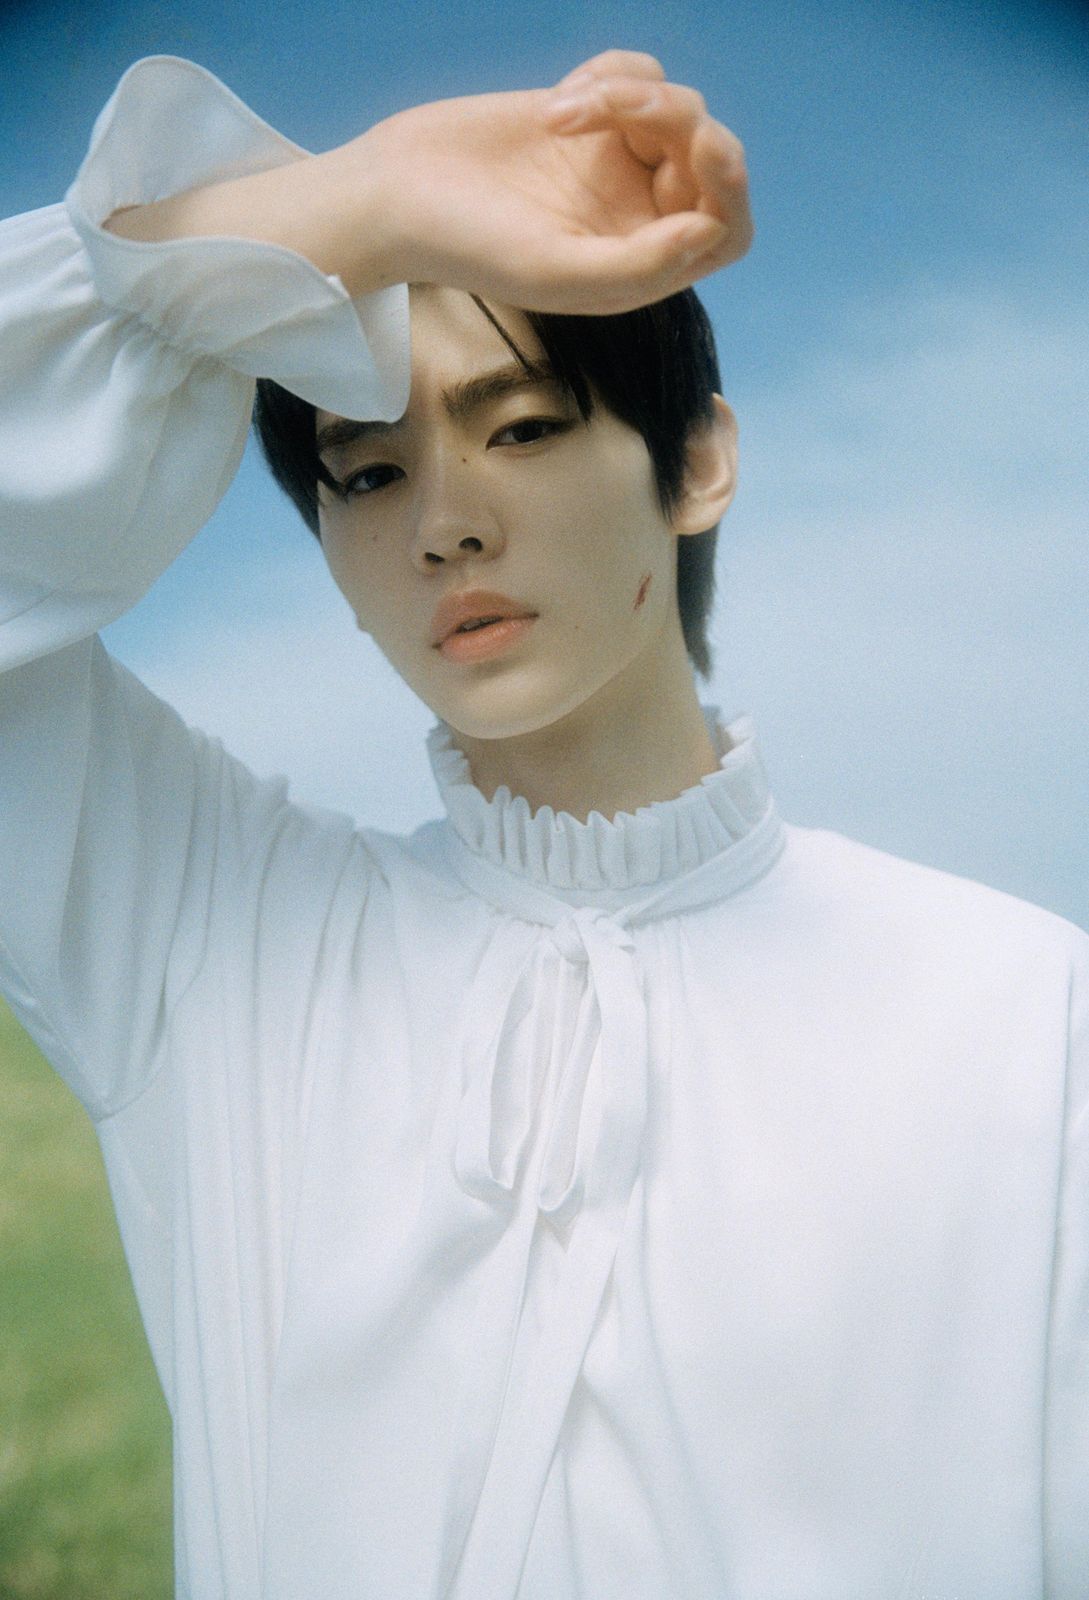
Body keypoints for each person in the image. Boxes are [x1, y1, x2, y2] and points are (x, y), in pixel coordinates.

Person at [0, 45, 1085, 1600]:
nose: (441, 519)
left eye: (519, 428)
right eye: (364, 473)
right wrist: (356, 202)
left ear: (695, 459)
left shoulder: (1024, 1014)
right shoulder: (202, 936)